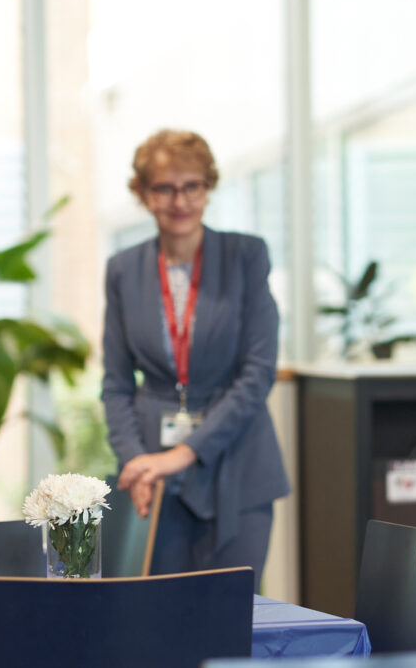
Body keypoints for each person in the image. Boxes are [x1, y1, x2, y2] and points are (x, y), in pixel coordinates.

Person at [102, 129, 289, 588]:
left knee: (231, 622)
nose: (179, 200)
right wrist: (137, 464)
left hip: (238, 463)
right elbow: (116, 384)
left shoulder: (246, 255)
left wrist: (184, 453)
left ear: (208, 189)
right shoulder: (124, 269)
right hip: (153, 474)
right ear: (143, 194)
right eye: (163, 187)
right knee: (156, 623)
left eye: (192, 186)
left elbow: (258, 373)